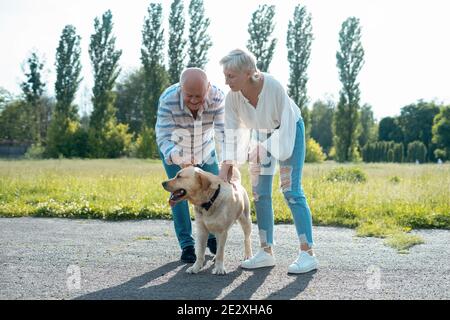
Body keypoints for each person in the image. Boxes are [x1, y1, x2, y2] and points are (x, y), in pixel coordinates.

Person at [218, 49, 318, 273]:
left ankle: (308, 253)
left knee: (291, 191)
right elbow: (232, 131)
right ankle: (266, 252)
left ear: (249, 73)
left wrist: (262, 148)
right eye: (225, 75)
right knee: (259, 193)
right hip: (261, 134)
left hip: (289, 130)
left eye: (231, 76)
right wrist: (227, 164)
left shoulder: (273, 86)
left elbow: (287, 126)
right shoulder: (232, 97)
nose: (226, 81)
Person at [156, 68, 225, 263]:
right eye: (189, 96)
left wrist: (227, 163)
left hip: (205, 148)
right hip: (174, 151)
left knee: (211, 192)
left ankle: (210, 237)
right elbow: (163, 135)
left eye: (199, 96)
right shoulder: (168, 99)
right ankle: (187, 245)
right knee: (179, 194)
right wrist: (179, 157)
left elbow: (224, 133)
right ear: (180, 89)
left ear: (208, 88)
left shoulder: (218, 97)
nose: (194, 100)